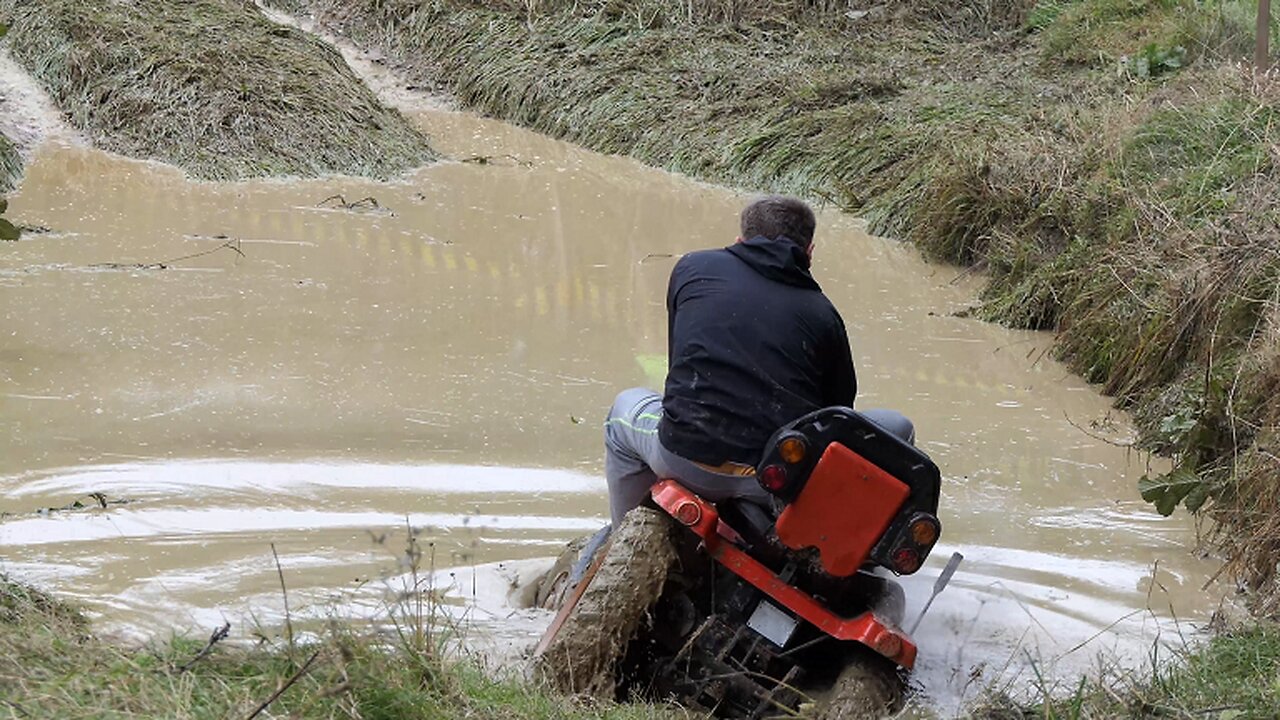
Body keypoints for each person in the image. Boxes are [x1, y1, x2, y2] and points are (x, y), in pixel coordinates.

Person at [603, 195, 913, 526]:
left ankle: (621, 533)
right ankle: (858, 556)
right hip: (778, 478)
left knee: (623, 411)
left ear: (740, 241)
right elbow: (837, 413)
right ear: (809, 252)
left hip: (684, 457)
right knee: (899, 429)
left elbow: (680, 360)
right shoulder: (823, 314)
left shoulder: (693, 268)